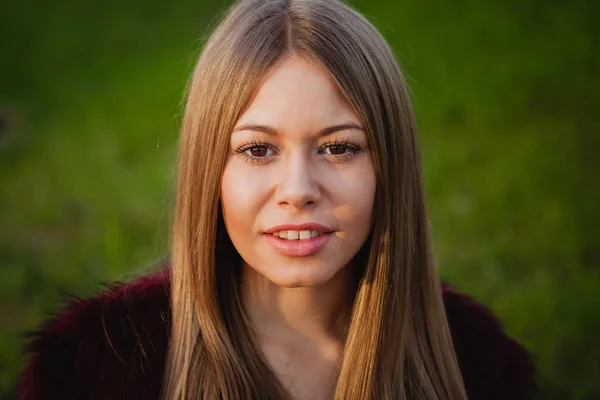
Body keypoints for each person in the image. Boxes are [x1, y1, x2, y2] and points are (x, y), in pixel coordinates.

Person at [18, 0, 536, 399]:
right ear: (209, 172)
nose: (297, 191)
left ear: (390, 168)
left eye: (339, 147)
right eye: (258, 149)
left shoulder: (479, 366)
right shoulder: (95, 369)